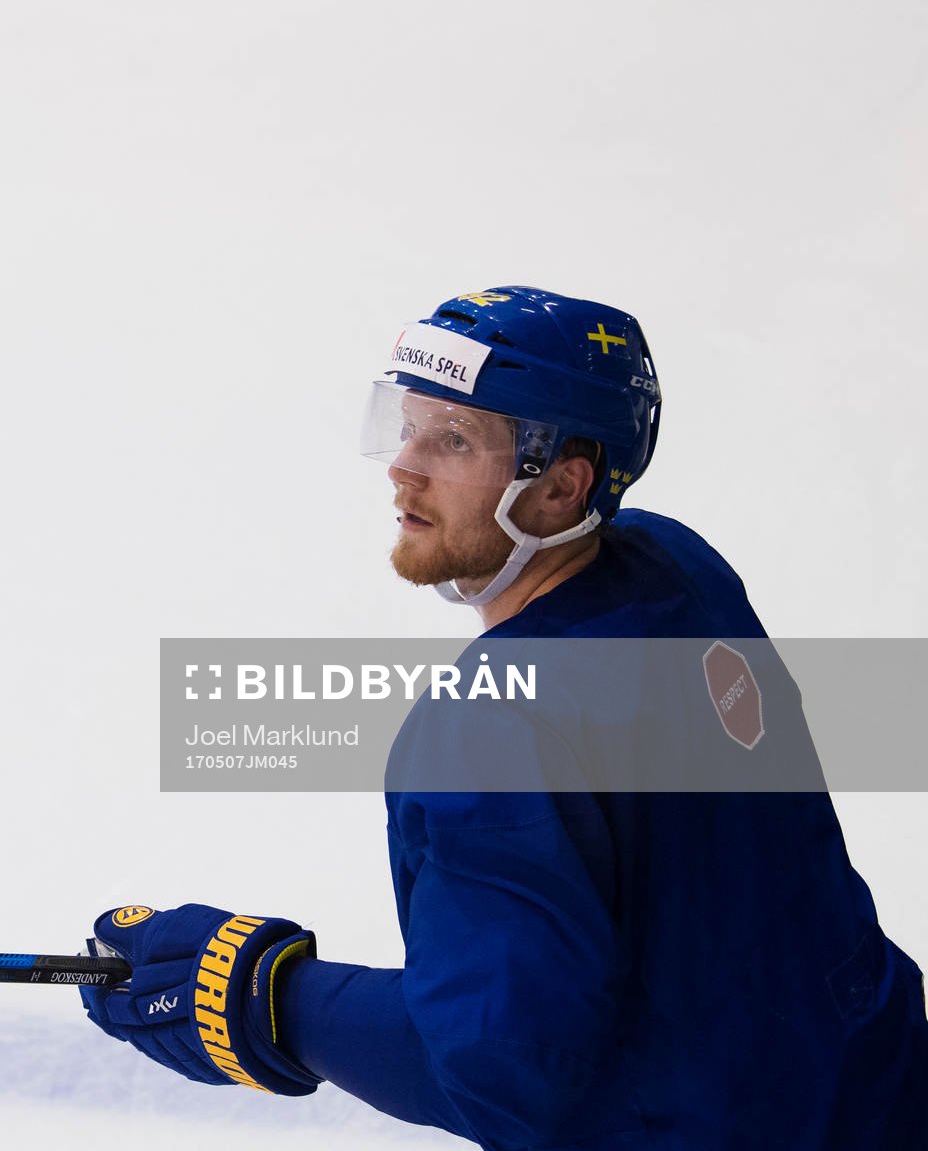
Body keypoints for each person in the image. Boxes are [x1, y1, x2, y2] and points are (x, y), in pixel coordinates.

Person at [81, 288, 928, 1148]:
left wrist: (266, 994)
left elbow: (500, 1069)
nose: (403, 468)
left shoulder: (488, 731)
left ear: (563, 486)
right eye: (406, 425)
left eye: (454, 441)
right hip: (877, 1087)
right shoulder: (679, 567)